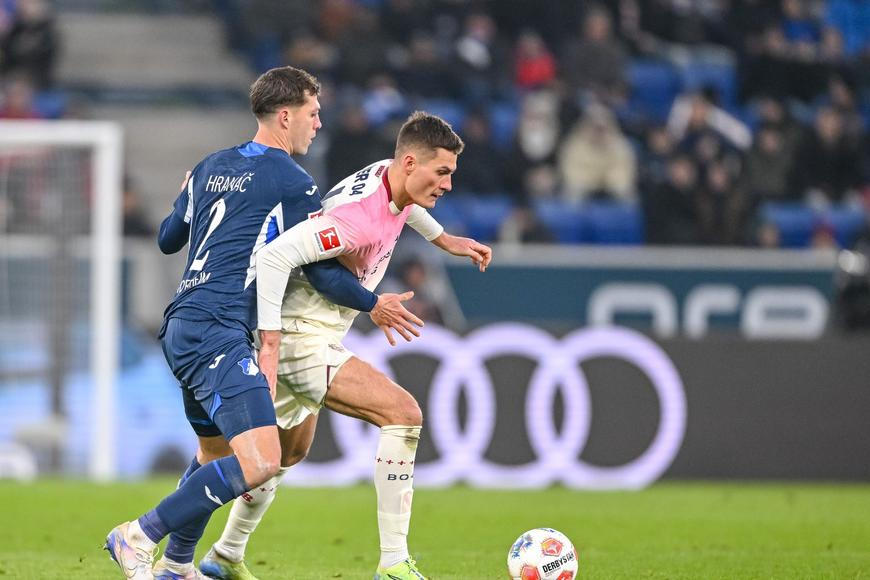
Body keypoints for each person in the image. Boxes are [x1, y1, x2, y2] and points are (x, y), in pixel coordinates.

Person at [104, 66, 420, 580]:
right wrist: (371, 302)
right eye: (313, 114)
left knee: (213, 455)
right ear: (285, 114)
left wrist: (187, 193)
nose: (318, 124)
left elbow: (167, 238)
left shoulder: (208, 166)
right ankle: (138, 535)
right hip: (221, 328)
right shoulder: (293, 182)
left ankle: (178, 566)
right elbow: (320, 273)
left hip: (181, 321)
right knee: (261, 461)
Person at [198, 112, 492, 580]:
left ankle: (224, 554)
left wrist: (445, 240)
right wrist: (278, 338)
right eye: (443, 172)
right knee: (403, 414)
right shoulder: (354, 217)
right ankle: (394, 563)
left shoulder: (388, 175)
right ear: (412, 162)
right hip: (298, 334)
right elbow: (280, 256)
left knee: (285, 453)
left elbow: (403, 208)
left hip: (319, 331)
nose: (449, 184)